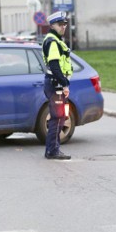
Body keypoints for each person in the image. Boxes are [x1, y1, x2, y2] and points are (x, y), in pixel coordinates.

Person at [42, 11, 73, 160]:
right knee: (57, 118)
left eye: (65, 24)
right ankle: (52, 151)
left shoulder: (55, 40)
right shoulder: (53, 42)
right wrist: (64, 84)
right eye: (60, 24)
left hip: (55, 84)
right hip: (56, 85)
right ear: (53, 25)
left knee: (60, 117)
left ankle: (53, 149)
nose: (63, 27)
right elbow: (55, 66)